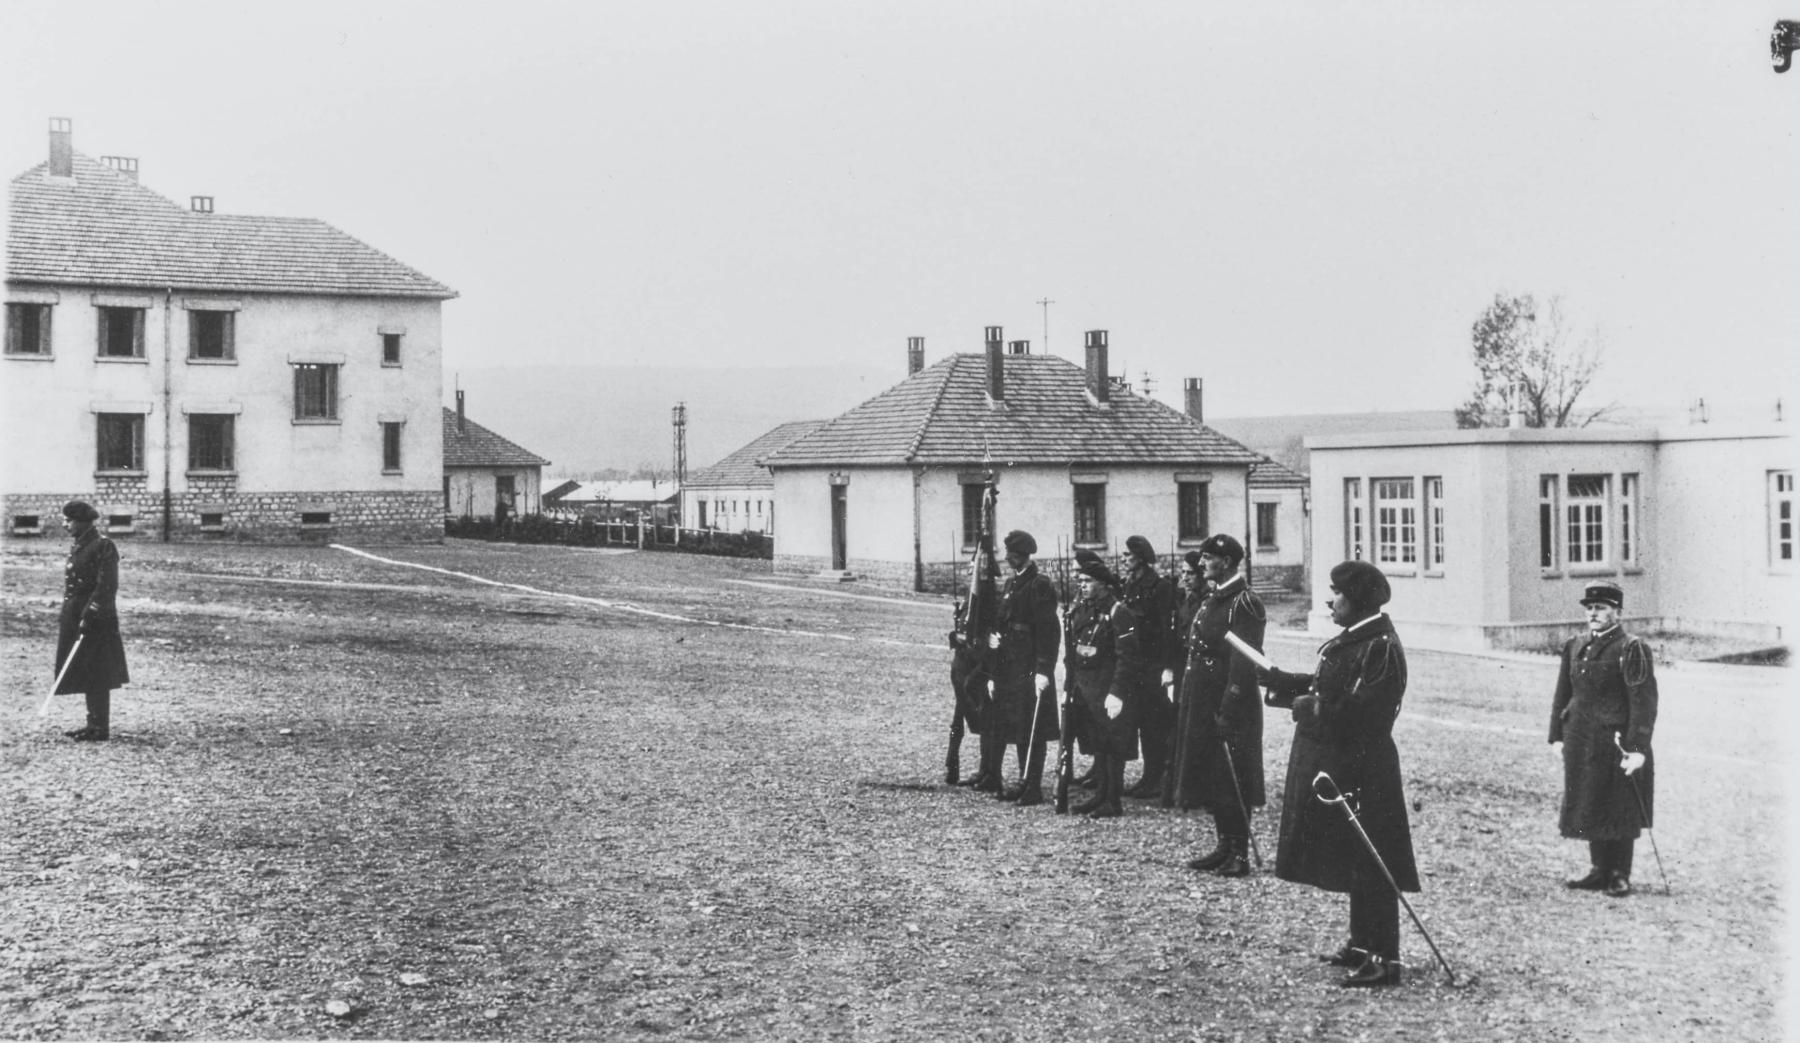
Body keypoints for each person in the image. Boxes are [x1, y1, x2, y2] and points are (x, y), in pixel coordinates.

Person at [1258, 560, 1417, 988]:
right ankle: (1363, 945)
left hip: (1366, 767)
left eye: (1338, 593)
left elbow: (1367, 710)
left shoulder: (1380, 646)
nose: (1331, 600)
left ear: (1360, 600)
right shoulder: (1358, 640)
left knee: (1373, 859)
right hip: (1345, 764)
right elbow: (1329, 684)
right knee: (1355, 856)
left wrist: (1312, 707)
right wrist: (1282, 681)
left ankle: (1386, 959)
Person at [1549, 580, 1657, 898]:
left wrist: (1637, 748)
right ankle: (1599, 870)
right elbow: (1562, 694)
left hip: (1616, 743)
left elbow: (1644, 702)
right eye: (1590, 608)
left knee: (1619, 806)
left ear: (1617, 613)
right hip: (1581, 741)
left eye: (1602, 608)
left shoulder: (1631, 648)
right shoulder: (1575, 645)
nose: (1594, 614)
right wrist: (1556, 735)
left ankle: (1619, 874)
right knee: (1590, 802)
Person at [1174, 535, 1266, 877]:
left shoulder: (1245, 603)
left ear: (1226, 562)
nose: (1201, 564)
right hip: (1205, 696)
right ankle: (1223, 845)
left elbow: (1244, 660)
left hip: (1230, 701)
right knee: (1214, 773)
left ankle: (1239, 853)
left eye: (1209, 558)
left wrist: (1230, 705)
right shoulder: (1215, 598)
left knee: (1235, 775)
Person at [1063, 549, 1143, 819]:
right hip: (1089, 690)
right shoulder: (1086, 610)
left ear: (1103, 584)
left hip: (1109, 691)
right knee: (1099, 744)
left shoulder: (1120, 613)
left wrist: (1117, 693)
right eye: (1081, 582)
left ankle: (1112, 799)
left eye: (1087, 582)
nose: (1082, 586)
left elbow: (1128, 657)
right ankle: (1100, 794)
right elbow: (1075, 651)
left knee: (1113, 745)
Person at [987, 530, 1061, 806]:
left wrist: (1043, 670)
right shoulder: (1010, 585)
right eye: (1008, 553)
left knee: (1034, 727)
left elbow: (1048, 631)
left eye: (1013, 554)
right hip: (1009, 666)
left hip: (1029, 667)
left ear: (1025, 555)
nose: (1007, 558)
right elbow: (1002, 624)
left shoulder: (1039, 585)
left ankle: (1033, 787)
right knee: (1018, 726)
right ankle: (1022, 780)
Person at [54, 500, 130, 742]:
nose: (65, 525)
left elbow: (107, 586)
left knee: (98, 669)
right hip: (77, 615)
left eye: (69, 521)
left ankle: (100, 727)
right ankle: (92, 723)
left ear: (82, 522)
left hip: (97, 617)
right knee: (86, 666)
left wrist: (91, 613)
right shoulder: (80, 545)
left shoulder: (103, 546)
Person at [1116, 535, 1175, 798]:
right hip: (1136, 663)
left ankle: (1156, 777)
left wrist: (1166, 666)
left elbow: (1166, 630)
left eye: (1128, 555)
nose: (1124, 559)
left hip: (1152, 664)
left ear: (1139, 558)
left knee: (1154, 724)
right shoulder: (1129, 584)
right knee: (1140, 720)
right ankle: (1148, 777)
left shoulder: (1159, 586)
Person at [1162, 550, 1206, 805]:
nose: (1185, 578)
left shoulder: (1205, 602)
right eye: (1182, 573)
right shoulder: (1183, 600)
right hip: (1180, 665)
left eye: (1190, 573)